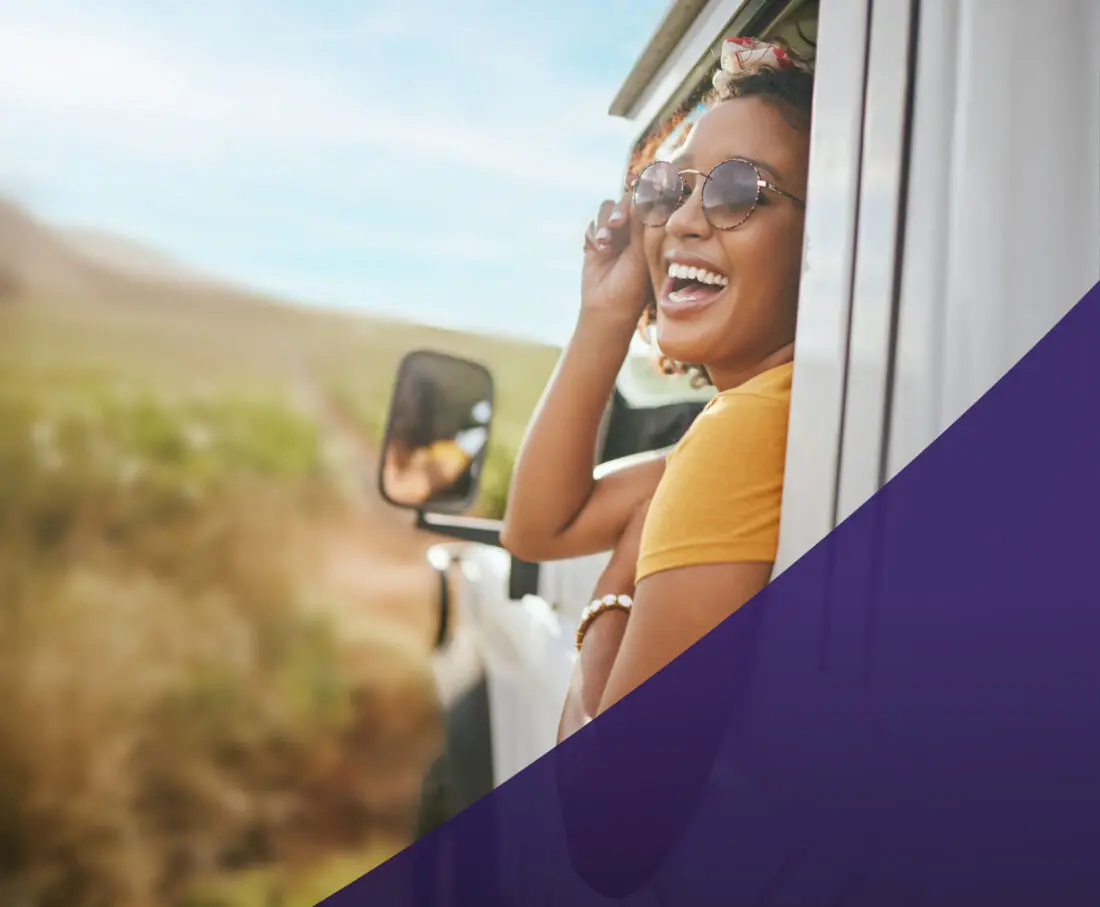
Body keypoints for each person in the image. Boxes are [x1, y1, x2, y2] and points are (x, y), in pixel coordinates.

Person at [502, 36, 813, 731]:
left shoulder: (744, 430)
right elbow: (537, 526)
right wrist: (608, 310)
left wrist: (614, 595)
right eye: (669, 188)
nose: (678, 220)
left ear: (822, 239)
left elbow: (607, 812)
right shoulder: (776, 413)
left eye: (739, 190)